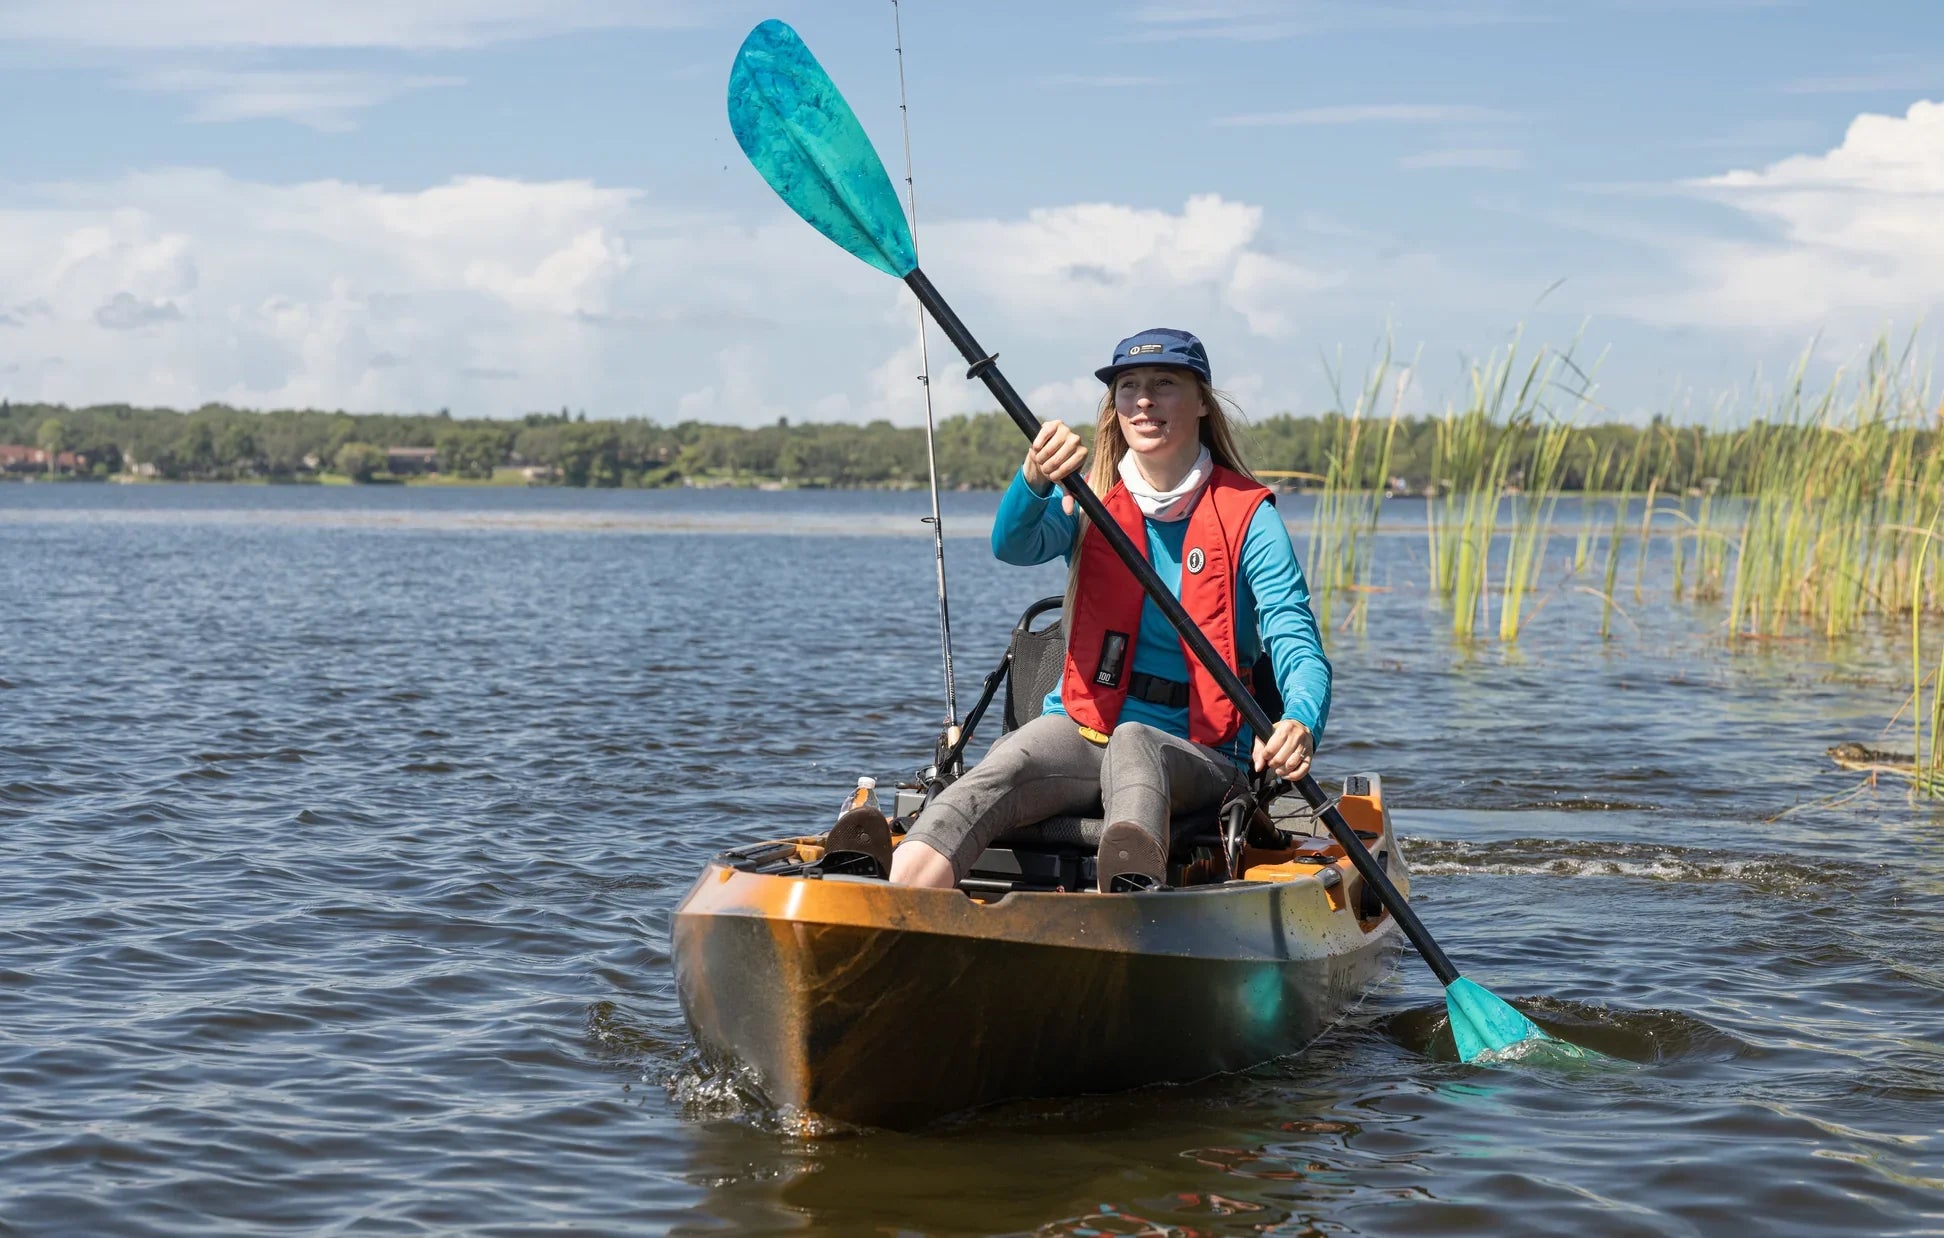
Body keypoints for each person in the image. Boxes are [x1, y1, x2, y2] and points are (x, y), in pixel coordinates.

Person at [881, 327, 1331, 892]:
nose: (1144, 399)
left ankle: (1126, 918)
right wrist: (1035, 478)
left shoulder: (1250, 517)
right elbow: (1012, 546)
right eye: (1128, 386)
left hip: (1203, 752)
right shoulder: (1089, 498)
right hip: (1081, 728)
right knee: (1003, 766)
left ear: (1200, 403)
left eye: (1164, 384)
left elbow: (1296, 641)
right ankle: (899, 898)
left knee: (1136, 743)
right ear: (1114, 406)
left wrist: (1300, 721)